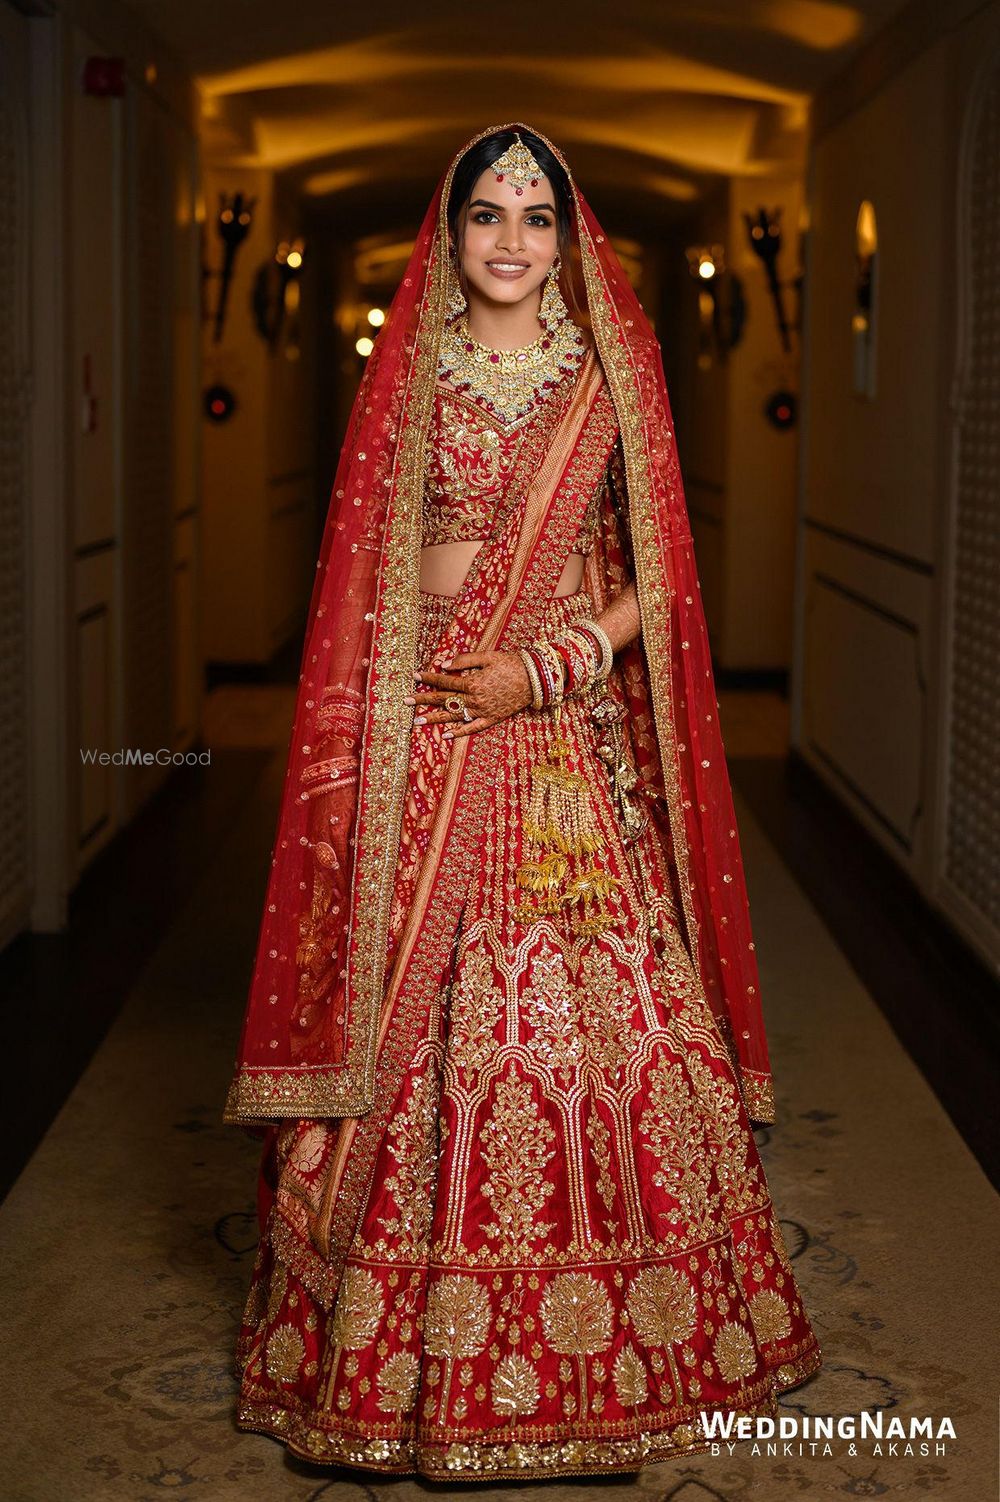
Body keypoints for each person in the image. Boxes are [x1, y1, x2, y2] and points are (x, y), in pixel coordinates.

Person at [223, 122, 821, 1481]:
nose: (509, 239)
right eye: (487, 212)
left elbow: (655, 586)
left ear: (567, 233)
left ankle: (630, 1341)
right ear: (451, 229)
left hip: (557, 738)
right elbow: (360, 585)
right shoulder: (411, 369)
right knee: (408, 1028)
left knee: (595, 1025)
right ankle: (384, 1359)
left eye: (536, 215)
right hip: (427, 727)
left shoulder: (616, 373)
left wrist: (545, 668)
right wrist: (388, 728)